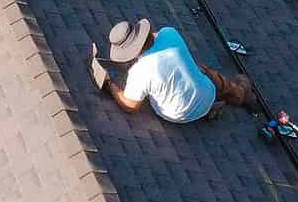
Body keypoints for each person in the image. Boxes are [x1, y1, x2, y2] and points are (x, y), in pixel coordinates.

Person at [89, 17, 254, 124]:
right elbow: (155, 36)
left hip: (176, 114)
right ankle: (240, 94)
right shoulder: (169, 34)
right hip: (206, 95)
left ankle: (210, 110)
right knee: (205, 72)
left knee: (157, 86)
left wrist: (110, 85)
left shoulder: (140, 72)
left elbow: (130, 106)